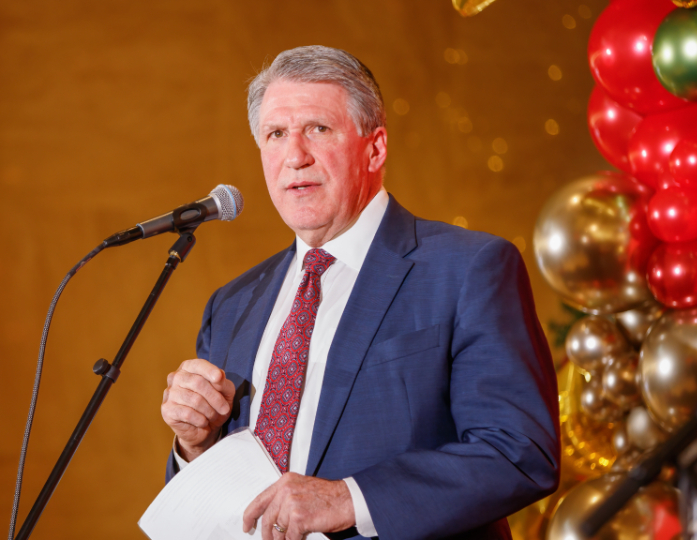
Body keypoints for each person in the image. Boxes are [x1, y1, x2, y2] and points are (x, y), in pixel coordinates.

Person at [160, 45, 560, 540]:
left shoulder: (468, 269)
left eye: (318, 129)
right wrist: (194, 446)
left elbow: (519, 452)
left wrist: (350, 499)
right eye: (276, 134)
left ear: (375, 149)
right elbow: (214, 500)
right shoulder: (232, 305)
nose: (295, 156)